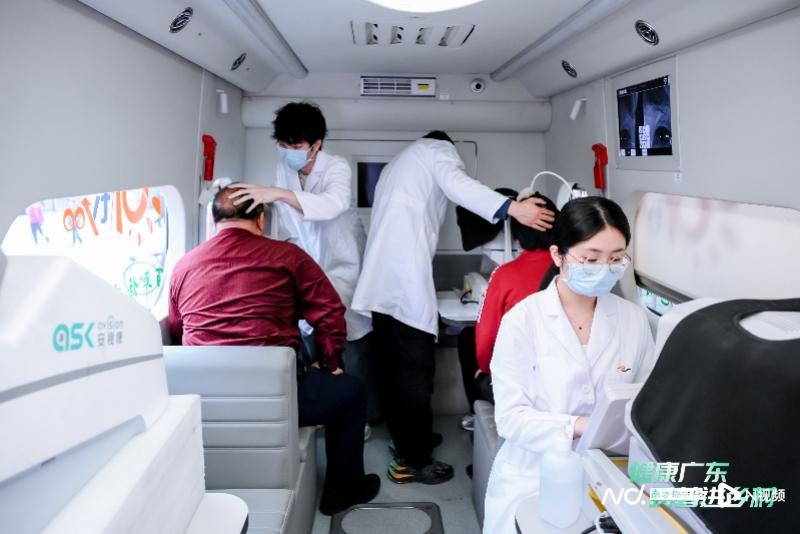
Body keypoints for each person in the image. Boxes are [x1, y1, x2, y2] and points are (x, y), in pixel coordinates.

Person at [351, 131, 556, 484]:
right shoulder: (436, 151)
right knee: (414, 374)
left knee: (393, 370)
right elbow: (459, 185)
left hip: (382, 285)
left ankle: (408, 437)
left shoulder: (399, 164)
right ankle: (413, 461)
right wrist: (514, 208)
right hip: (402, 285)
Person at [167, 185, 380, 515]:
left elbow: (177, 329)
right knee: (351, 393)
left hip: (205, 401)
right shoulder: (288, 257)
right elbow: (330, 312)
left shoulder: (183, 266)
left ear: (214, 220)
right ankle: (343, 491)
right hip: (274, 397)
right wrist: (330, 363)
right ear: (261, 220)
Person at [482, 196, 656, 534]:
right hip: (533, 474)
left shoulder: (632, 318)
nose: (605, 269)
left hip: (608, 470)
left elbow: (646, 397)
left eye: (616, 259)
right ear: (558, 255)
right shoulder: (523, 320)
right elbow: (510, 419)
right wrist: (580, 425)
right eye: (591, 259)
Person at [229, 102, 379, 427]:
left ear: (316, 145)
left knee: (352, 342)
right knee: (316, 339)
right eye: (283, 145)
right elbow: (289, 224)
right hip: (309, 262)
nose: (288, 151)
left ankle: (363, 418)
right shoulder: (284, 171)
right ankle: (330, 409)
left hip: (343, 264)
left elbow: (332, 204)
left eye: (295, 146)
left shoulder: (336, 167)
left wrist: (279, 193)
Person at [458, 192, 559, 432]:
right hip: (560, 384)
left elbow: (486, 339)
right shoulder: (569, 270)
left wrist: (485, 368)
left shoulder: (505, 275)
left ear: (517, 234)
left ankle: (475, 419)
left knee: (466, 340)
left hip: (523, 388)